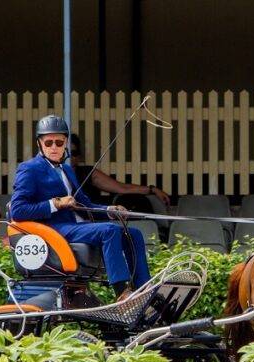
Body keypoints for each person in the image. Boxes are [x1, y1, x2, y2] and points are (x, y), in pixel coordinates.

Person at [9, 115, 151, 301]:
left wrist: (110, 210)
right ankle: (122, 292)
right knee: (109, 231)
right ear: (39, 144)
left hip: (73, 227)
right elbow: (18, 210)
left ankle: (143, 288)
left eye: (59, 142)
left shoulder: (67, 170)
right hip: (52, 229)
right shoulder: (30, 169)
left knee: (133, 234)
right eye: (49, 142)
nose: (54, 147)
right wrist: (55, 203)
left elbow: (84, 205)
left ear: (65, 143)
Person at [68, 134, 171, 207]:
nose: (70, 157)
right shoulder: (57, 174)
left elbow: (122, 188)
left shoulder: (87, 173)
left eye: (74, 153)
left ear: (79, 156)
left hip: (87, 219)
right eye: (66, 152)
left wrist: (152, 189)